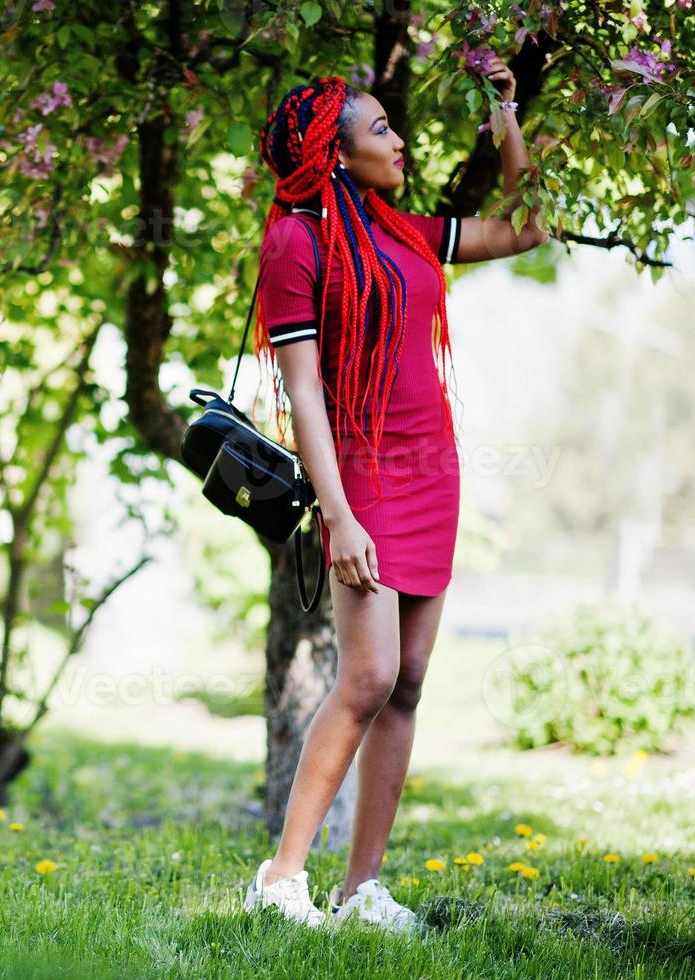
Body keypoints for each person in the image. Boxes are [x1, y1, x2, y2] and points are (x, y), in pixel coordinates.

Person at [239, 62, 549, 932]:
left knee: (406, 682)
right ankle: (280, 878)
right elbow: (302, 393)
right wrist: (335, 514)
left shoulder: (404, 232)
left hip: (431, 472)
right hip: (361, 475)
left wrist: (503, 109)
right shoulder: (294, 243)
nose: (399, 140)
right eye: (380, 130)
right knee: (368, 674)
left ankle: (360, 890)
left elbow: (528, 228)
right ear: (332, 155)